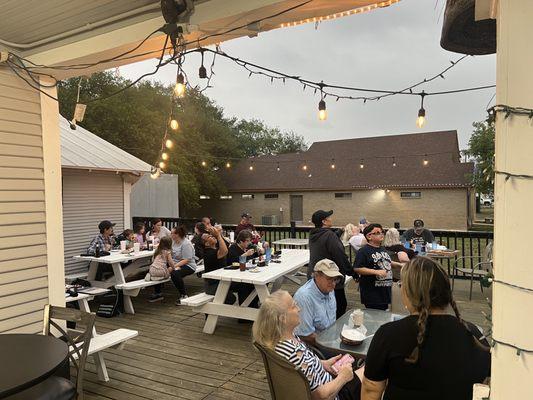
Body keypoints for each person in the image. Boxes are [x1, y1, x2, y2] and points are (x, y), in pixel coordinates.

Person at [362, 257, 490, 400]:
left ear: (409, 292)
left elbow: (371, 389)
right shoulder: (474, 334)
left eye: (401, 285)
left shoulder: (389, 334)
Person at [253, 290, 363, 400]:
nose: (299, 309)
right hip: (334, 394)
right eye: (294, 306)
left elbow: (303, 367)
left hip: (328, 383)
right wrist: (343, 377)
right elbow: (320, 396)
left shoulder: (279, 339)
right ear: (283, 318)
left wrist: (324, 364)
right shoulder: (294, 352)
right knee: (371, 371)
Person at [309, 210, 353, 319]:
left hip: (316, 277)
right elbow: (341, 257)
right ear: (324, 221)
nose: (331, 219)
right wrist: (353, 273)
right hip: (330, 278)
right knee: (340, 306)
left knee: (322, 307)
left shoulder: (314, 234)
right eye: (329, 217)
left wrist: (340, 231)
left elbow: (327, 238)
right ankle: (333, 332)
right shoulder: (329, 236)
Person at [354, 224, 402, 311]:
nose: (382, 234)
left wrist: (398, 264)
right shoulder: (363, 251)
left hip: (385, 290)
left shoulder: (382, 249)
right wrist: (376, 272)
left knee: (383, 314)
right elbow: (357, 268)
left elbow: (385, 261)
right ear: (369, 236)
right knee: (375, 317)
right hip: (373, 293)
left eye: (382, 232)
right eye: (378, 233)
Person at [294, 259, 341, 346]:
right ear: (316, 276)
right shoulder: (304, 297)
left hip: (330, 338)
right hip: (314, 347)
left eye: (336, 279)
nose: (333, 283)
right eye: (330, 278)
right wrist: (332, 344)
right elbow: (306, 335)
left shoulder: (329, 289)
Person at [202, 227, 238, 305]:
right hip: (213, 285)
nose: (212, 236)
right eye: (209, 237)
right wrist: (218, 236)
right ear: (207, 244)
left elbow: (227, 244)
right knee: (234, 295)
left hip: (220, 280)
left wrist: (218, 234)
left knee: (244, 286)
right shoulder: (209, 253)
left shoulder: (215, 248)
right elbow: (225, 251)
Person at [226, 230, 260, 308]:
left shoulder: (249, 247)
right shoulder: (233, 248)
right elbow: (233, 262)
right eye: (247, 241)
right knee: (248, 285)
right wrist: (245, 254)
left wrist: (260, 251)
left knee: (261, 283)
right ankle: (246, 309)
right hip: (234, 277)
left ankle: (253, 305)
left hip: (245, 274)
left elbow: (252, 259)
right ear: (241, 241)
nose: (249, 243)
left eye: (250, 240)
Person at [145, 236, 174, 302]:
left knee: (159, 270)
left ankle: (154, 277)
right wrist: (174, 267)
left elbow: (152, 260)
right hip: (160, 271)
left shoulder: (157, 251)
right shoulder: (168, 252)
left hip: (152, 269)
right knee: (170, 269)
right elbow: (170, 262)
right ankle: (160, 277)